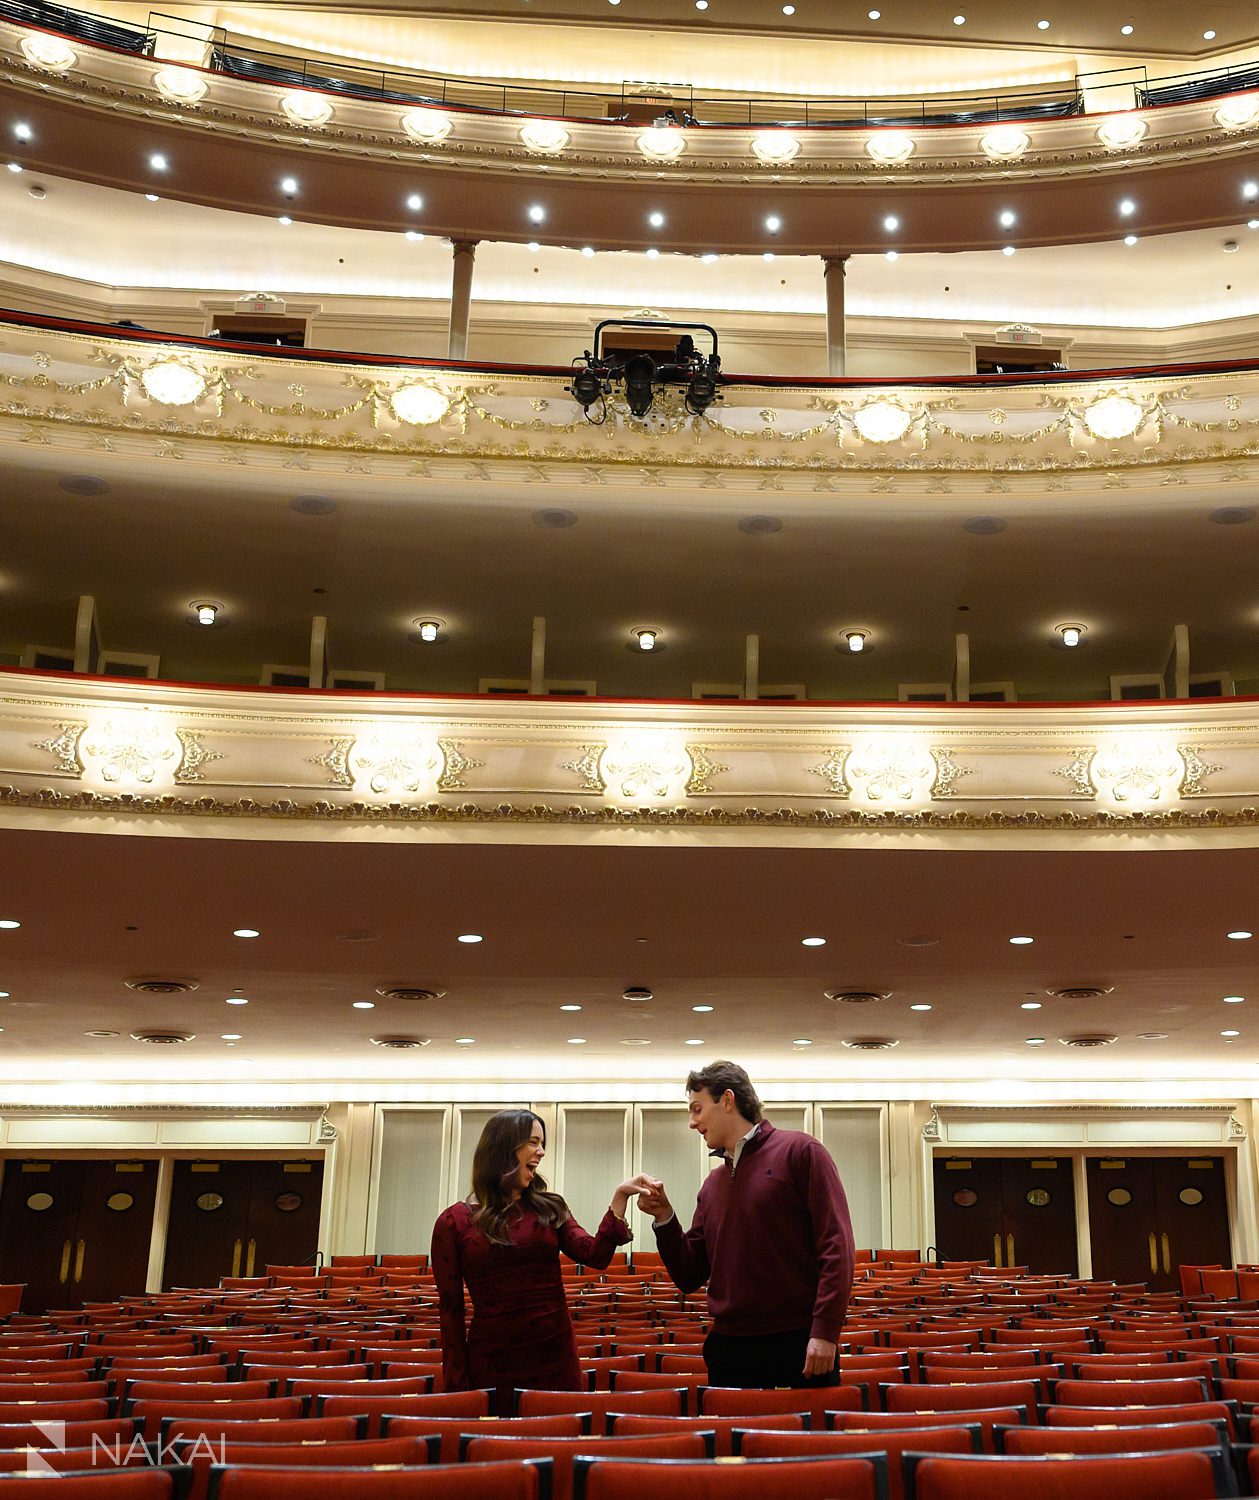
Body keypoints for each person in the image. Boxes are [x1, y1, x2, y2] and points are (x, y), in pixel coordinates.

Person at [637, 1059, 855, 1388]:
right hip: (729, 1348)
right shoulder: (712, 1184)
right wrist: (664, 1217)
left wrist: (825, 1332)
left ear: (727, 1100)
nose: (692, 1123)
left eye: (697, 1109)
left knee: (805, 1442)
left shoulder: (801, 1152)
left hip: (798, 1343)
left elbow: (836, 1246)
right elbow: (689, 1274)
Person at [431, 1108, 655, 1401]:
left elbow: (595, 1255)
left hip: (555, 1359)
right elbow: (451, 1312)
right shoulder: (453, 1222)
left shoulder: (549, 1208)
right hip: (492, 1362)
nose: (542, 1152)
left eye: (542, 1144)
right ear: (505, 1147)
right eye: (534, 1143)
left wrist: (619, 1198)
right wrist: (457, 1387)